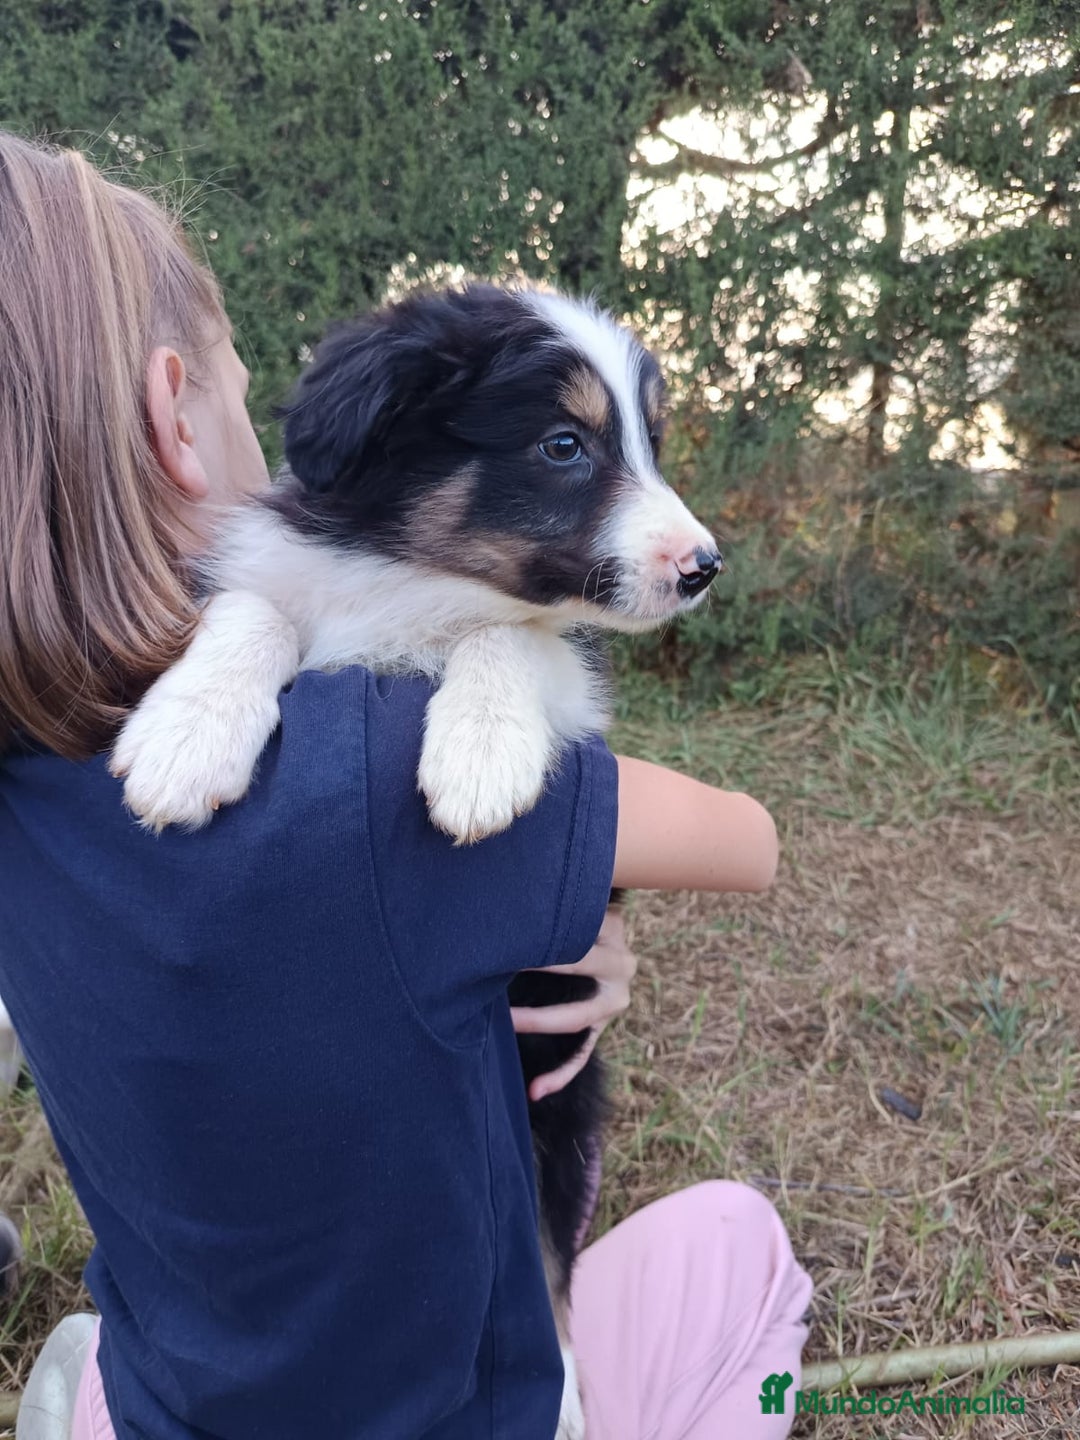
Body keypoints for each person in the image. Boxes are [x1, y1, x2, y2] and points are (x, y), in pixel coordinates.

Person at [0, 131, 811, 1440]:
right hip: (462, 1396)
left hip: (186, 1384)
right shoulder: (357, 773)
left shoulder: (29, 791)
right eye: (573, 452)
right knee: (741, 1242)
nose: (666, 517)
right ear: (173, 412)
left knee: (106, 1355)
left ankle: (85, 1399)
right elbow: (748, 842)